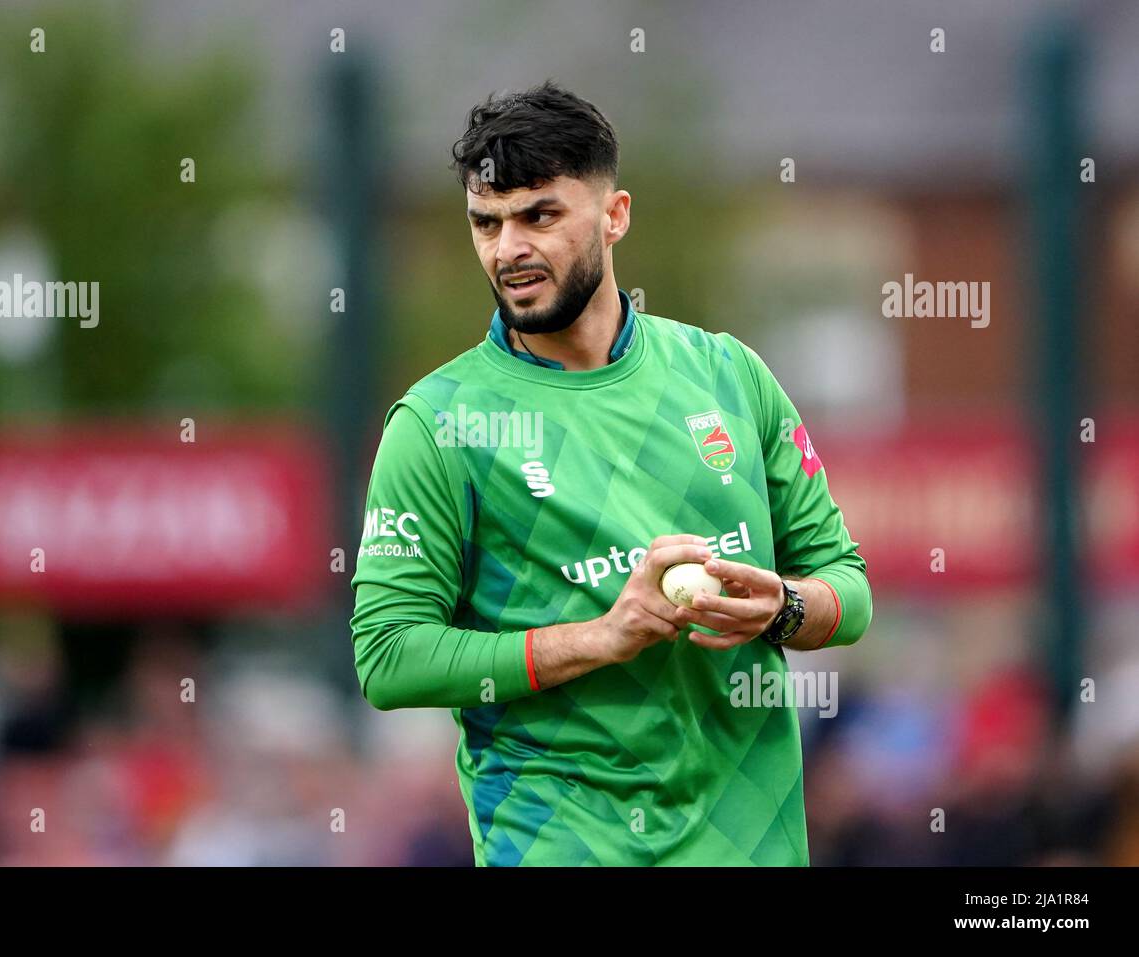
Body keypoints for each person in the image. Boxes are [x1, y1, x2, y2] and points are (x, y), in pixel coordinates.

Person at [350, 80, 871, 865]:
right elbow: (388, 657)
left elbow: (849, 589)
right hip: (563, 844)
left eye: (540, 215)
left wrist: (785, 605)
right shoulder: (437, 425)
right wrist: (601, 637)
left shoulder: (728, 373)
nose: (507, 250)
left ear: (614, 214)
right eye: (485, 224)